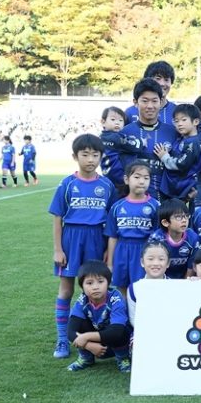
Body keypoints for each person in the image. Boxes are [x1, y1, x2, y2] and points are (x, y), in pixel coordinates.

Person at [50, 134, 117, 359]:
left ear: (101, 157)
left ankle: (96, 334)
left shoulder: (106, 185)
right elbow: (57, 218)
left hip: (97, 238)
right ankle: (62, 338)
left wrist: (108, 249)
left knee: (96, 289)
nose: (90, 159)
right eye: (85, 154)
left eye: (95, 155)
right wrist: (58, 249)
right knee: (66, 290)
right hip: (72, 239)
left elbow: (112, 220)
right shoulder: (67, 184)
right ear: (75, 156)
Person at [104, 161, 159, 295]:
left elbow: (159, 235)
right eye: (137, 177)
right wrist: (110, 263)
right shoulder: (117, 206)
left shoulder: (155, 206)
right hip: (122, 250)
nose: (142, 181)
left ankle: (140, 310)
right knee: (122, 287)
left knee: (141, 288)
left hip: (144, 250)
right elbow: (113, 237)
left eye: (146, 178)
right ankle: (124, 310)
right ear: (126, 179)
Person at [66, 261, 131, 372]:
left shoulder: (115, 298)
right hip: (95, 342)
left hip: (114, 340)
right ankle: (86, 358)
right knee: (79, 324)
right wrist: (89, 346)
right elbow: (70, 331)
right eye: (89, 283)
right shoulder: (82, 300)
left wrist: (86, 337)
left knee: (122, 329)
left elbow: (117, 331)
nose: (95, 287)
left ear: (108, 283)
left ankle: (123, 358)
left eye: (100, 281)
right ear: (82, 286)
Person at [120, 78, 178, 201]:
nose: (150, 106)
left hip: (165, 201)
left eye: (154, 101)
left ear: (161, 102)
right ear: (135, 102)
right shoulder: (125, 133)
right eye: (145, 101)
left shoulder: (172, 133)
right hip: (133, 200)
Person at [155, 103, 201, 203]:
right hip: (174, 187)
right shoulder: (181, 138)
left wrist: (164, 157)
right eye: (176, 121)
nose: (179, 124)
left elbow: (182, 163)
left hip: (184, 190)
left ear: (196, 121)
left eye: (184, 120)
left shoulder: (193, 143)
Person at [148, 199, 198, 279]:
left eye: (186, 216)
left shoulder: (193, 238)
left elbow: (191, 266)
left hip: (184, 280)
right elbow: (153, 266)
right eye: (178, 217)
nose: (184, 220)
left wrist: (185, 284)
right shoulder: (156, 239)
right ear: (165, 222)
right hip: (161, 278)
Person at [100, 106, 144, 192]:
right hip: (119, 174)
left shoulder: (101, 137)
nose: (117, 123)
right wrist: (141, 142)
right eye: (113, 119)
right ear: (103, 122)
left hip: (107, 173)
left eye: (120, 120)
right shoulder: (115, 137)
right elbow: (133, 146)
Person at [127, 241, 170, 327]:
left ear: (168, 263)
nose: (155, 263)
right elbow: (133, 319)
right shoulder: (134, 288)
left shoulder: (176, 287)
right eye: (150, 259)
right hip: (142, 330)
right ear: (142, 262)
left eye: (161, 259)